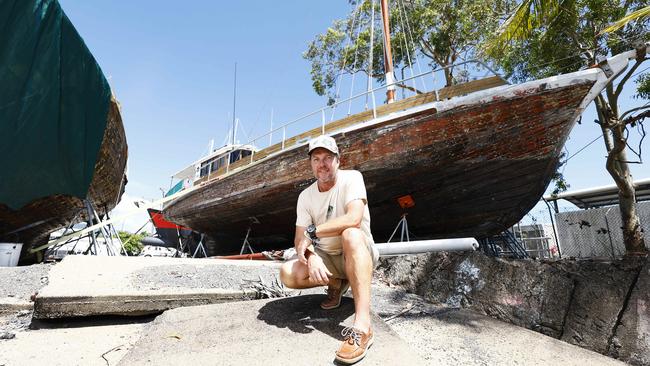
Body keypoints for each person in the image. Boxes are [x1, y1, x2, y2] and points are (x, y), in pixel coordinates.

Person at [279, 135, 379, 364]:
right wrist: (312, 256)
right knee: (288, 273)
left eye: (327, 158)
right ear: (311, 164)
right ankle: (336, 283)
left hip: (358, 252)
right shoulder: (305, 196)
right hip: (328, 258)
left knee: (351, 234)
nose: (322, 164)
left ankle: (363, 327)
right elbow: (298, 240)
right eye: (316, 159)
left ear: (338, 160)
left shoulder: (353, 179)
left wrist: (313, 233)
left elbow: (353, 218)